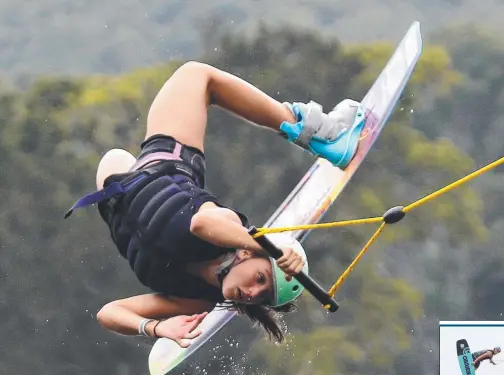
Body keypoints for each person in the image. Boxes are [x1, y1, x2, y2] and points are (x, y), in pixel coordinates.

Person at [65, 61, 366, 348]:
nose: (251, 293)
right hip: (170, 163)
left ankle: (315, 131)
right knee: (197, 75)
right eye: (261, 278)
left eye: (261, 297)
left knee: (113, 158)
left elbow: (109, 313)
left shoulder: (199, 298)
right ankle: (318, 132)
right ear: (248, 252)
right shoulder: (227, 229)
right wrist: (270, 246)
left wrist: (156, 328)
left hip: (118, 192)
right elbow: (200, 224)